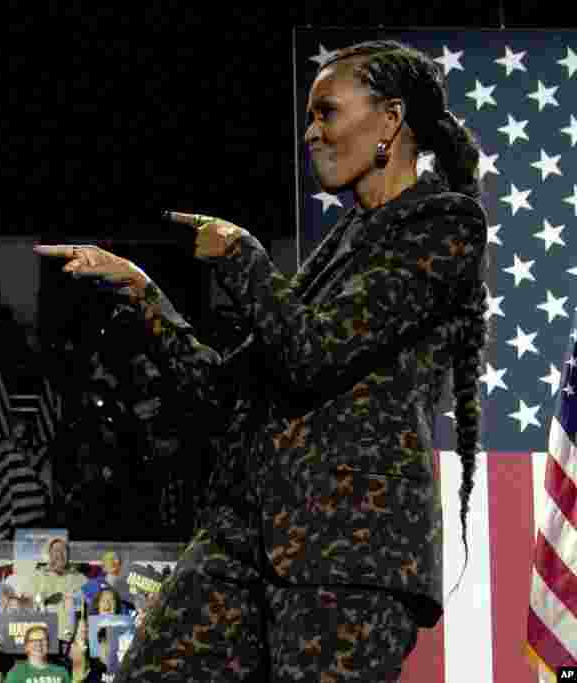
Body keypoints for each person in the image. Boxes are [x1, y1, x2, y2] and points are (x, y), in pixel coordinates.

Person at [37, 39, 486, 682]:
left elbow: (314, 356)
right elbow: (221, 392)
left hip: (351, 554)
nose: (311, 133)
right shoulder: (337, 248)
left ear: (390, 120)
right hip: (249, 537)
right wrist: (143, 294)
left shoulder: (444, 225)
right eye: (310, 117)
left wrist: (244, 254)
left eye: (326, 112)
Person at [4, 624, 85, 683]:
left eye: (43, 640)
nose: (38, 644)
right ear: (26, 646)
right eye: (33, 640)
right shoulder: (16, 673)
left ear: (48, 644)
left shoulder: (61, 671)